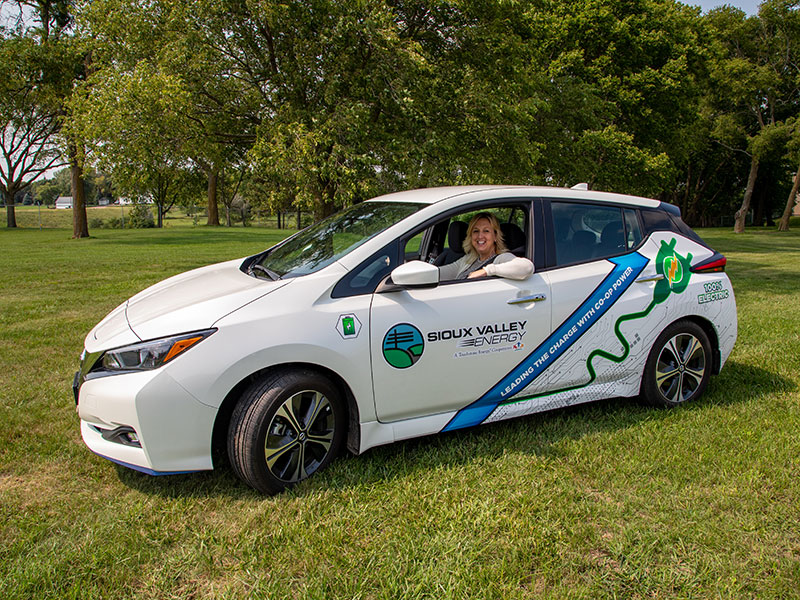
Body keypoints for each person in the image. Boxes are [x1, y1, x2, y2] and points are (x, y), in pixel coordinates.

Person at [437, 212, 534, 281]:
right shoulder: (468, 260)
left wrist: (487, 271)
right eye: (476, 231)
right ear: (470, 236)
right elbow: (440, 273)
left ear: (495, 236)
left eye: (486, 231)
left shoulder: (501, 258)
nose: (480, 236)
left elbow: (527, 267)